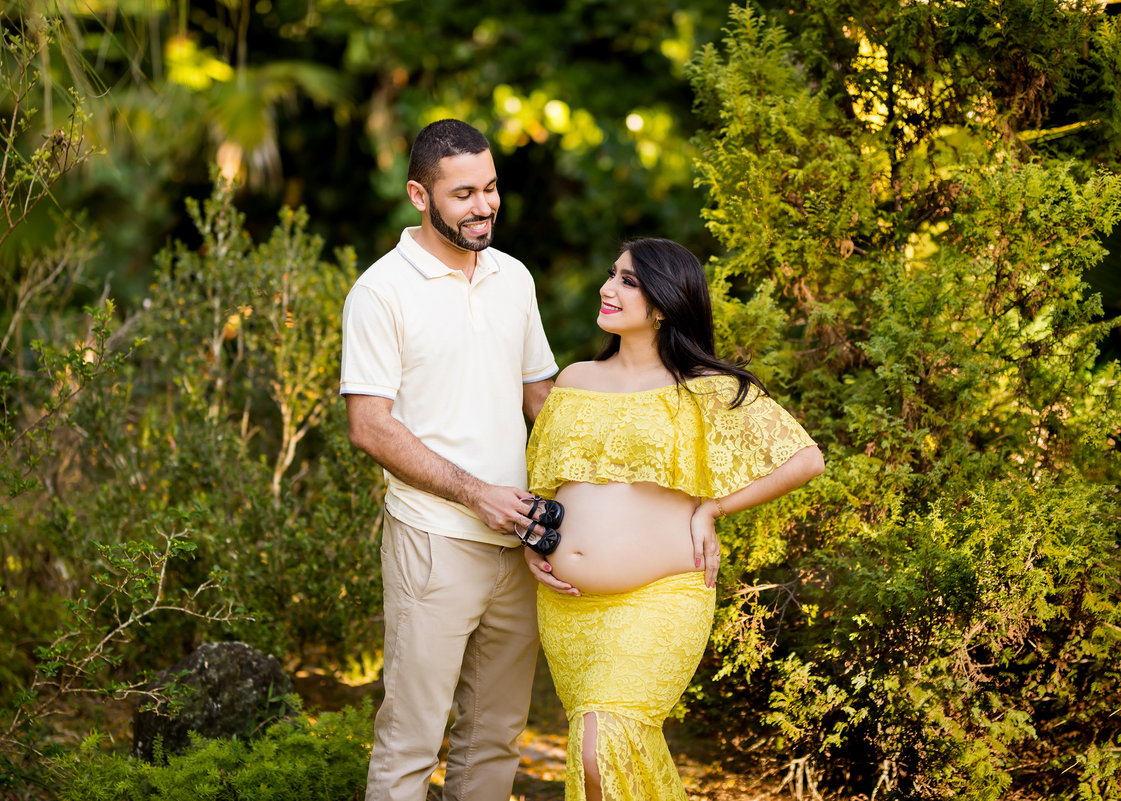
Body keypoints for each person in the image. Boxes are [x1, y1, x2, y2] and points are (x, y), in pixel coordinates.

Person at [523, 238, 825, 801]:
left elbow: (806, 459)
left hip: (662, 596)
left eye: (628, 282)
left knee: (602, 741)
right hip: (568, 607)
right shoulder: (574, 381)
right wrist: (533, 544)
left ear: (663, 305)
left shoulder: (706, 389)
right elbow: (546, 488)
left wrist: (715, 506)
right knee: (599, 758)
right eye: (611, 275)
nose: (607, 289)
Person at [340, 119, 564, 801]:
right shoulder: (381, 292)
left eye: (491, 188)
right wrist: (476, 492)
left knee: (494, 741)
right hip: (432, 544)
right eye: (464, 192)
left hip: (516, 542)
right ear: (419, 194)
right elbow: (370, 427)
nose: (484, 205)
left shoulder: (513, 278)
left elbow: (541, 398)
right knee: (412, 740)